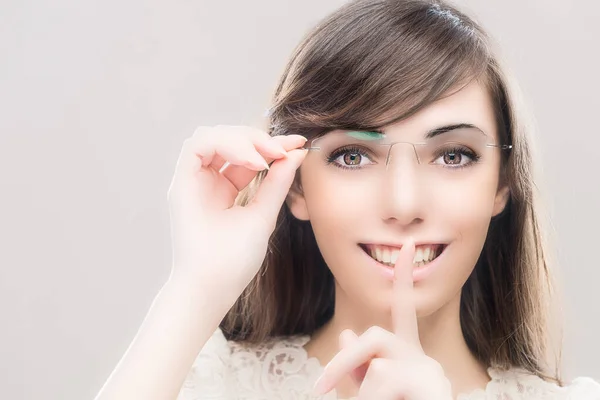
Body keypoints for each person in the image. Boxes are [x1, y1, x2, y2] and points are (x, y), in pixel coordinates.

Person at [94, 0, 600, 399]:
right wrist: (196, 286)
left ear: (502, 183)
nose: (403, 204)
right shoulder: (199, 386)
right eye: (354, 156)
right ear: (294, 184)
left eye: (453, 155)